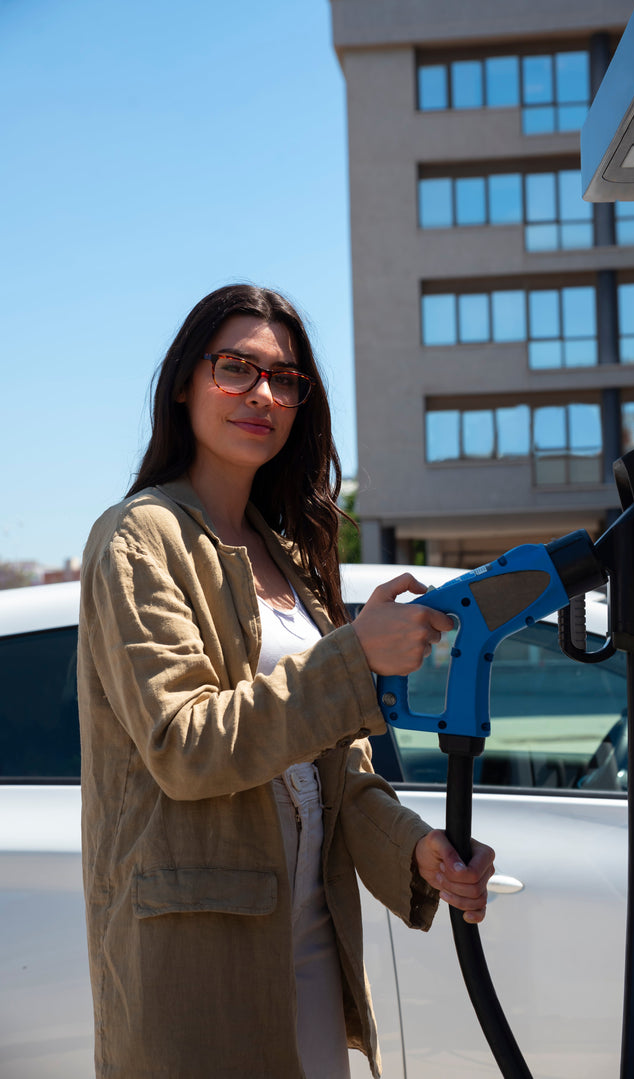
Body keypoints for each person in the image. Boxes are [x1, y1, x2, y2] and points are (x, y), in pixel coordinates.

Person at [77, 283, 495, 1079]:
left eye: (285, 378)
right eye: (236, 367)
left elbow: (337, 770)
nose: (263, 394)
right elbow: (184, 743)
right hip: (201, 972)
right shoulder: (140, 536)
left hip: (310, 951)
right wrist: (354, 657)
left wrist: (421, 853)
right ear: (183, 382)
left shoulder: (292, 559)